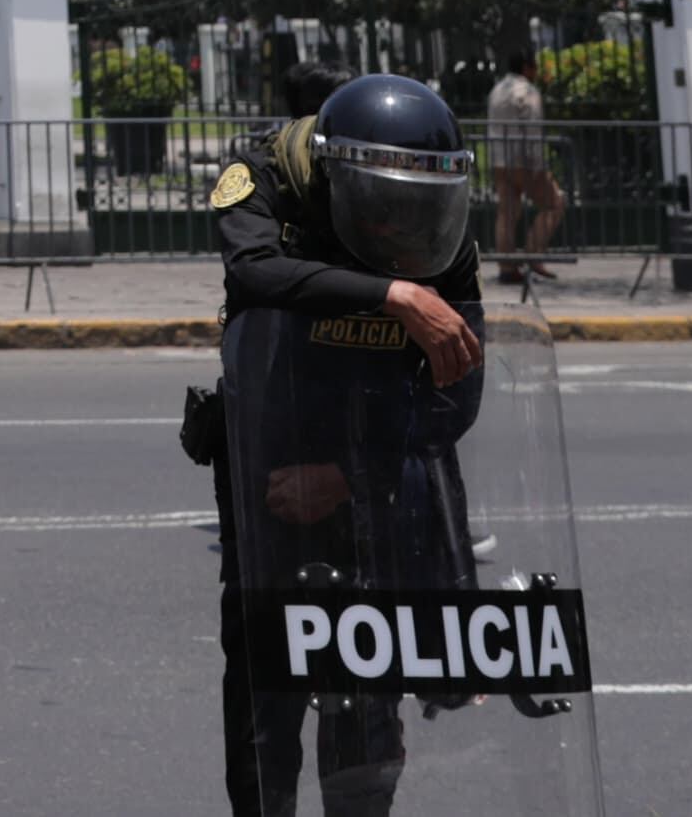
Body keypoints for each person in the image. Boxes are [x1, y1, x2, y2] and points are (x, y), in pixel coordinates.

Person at [205, 72, 487, 817]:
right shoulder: (266, 176)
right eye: (381, 207)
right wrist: (391, 295)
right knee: (267, 673)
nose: (399, 231)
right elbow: (253, 269)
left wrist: (351, 476)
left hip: (377, 461)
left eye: (415, 211)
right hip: (270, 449)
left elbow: (457, 392)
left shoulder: (438, 216)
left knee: (370, 671)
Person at [485, 48, 562, 284]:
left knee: (507, 213)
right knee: (555, 203)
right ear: (527, 68)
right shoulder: (527, 91)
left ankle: (507, 267)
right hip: (523, 161)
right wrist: (538, 165)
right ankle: (533, 254)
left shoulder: (498, 89)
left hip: (499, 159)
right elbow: (532, 128)